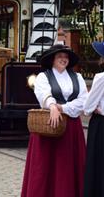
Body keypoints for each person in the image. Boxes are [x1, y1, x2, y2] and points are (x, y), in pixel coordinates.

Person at [21, 44, 88, 197]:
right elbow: (43, 94)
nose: (63, 59)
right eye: (60, 57)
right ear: (52, 60)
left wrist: (62, 108)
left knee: (68, 166)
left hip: (71, 127)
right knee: (45, 167)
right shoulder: (44, 77)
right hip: (49, 126)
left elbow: (84, 100)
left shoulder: (77, 77)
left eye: (66, 57)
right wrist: (52, 106)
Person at [83, 35, 104, 197]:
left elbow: (87, 108)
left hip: (102, 126)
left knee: (100, 167)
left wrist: (94, 107)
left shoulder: (102, 77)